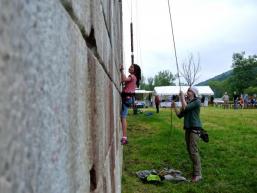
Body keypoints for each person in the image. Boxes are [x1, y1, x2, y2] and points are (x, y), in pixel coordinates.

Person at [172, 86, 203, 182]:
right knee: (190, 150)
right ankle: (195, 171)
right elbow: (179, 115)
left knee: (193, 151)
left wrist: (181, 98)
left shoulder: (197, 101)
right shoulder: (188, 102)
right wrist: (175, 107)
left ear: (193, 93)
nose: (187, 92)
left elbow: (185, 107)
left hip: (195, 129)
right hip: (188, 129)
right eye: (187, 90)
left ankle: (198, 174)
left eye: (189, 91)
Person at [120, 63, 141, 145]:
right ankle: (124, 137)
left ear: (134, 70)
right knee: (123, 117)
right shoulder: (135, 78)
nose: (130, 67)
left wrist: (121, 71)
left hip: (127, 98)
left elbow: (124, 79)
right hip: (130, 98)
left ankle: (125, 137)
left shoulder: (132, 76)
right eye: (130, 66)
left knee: (123, 117)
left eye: (132, 67)